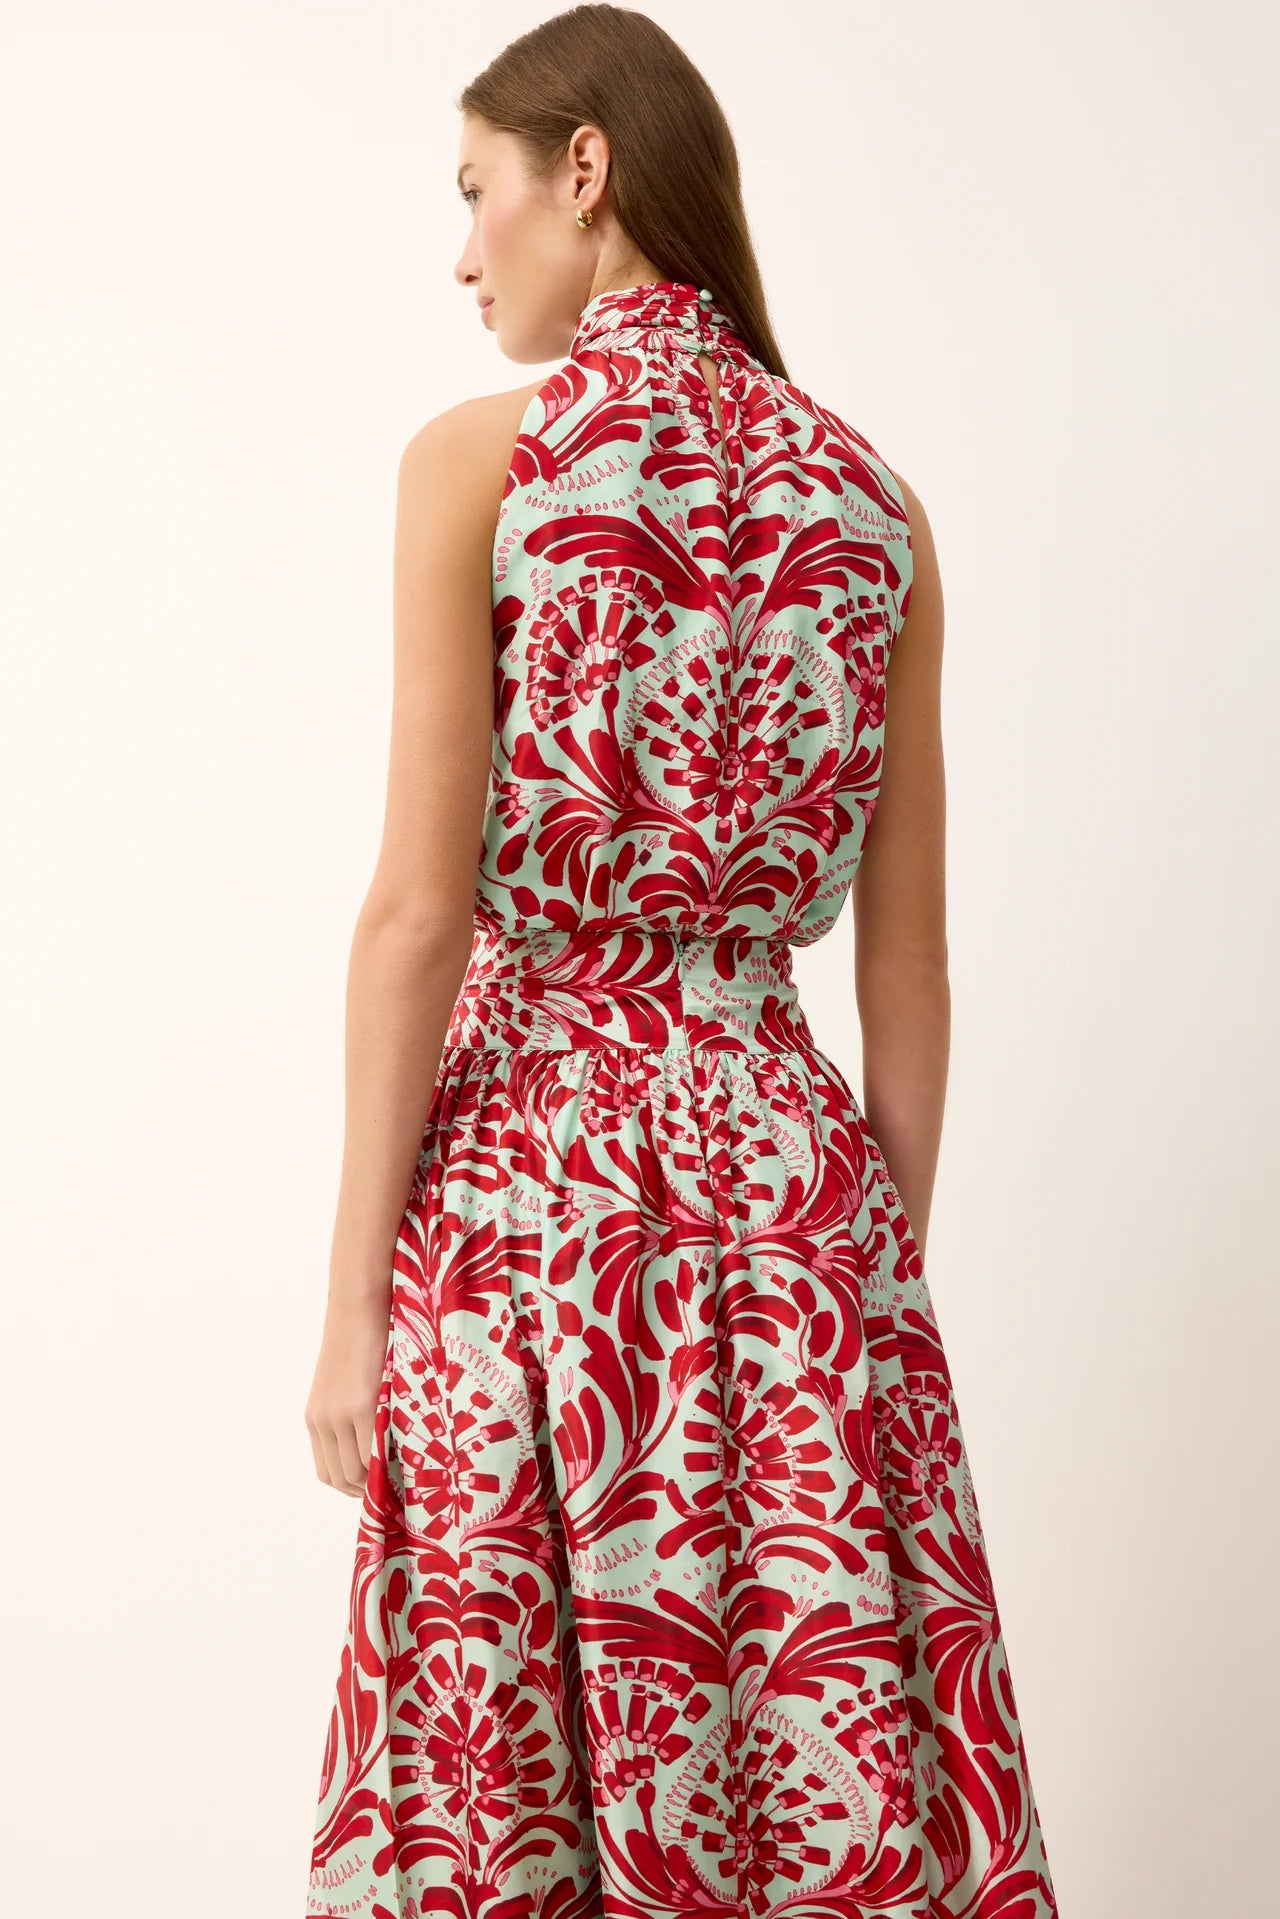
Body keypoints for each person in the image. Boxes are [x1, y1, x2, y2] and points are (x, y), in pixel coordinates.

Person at [303, 8, 1057, 1916]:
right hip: (801, 1201)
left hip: (535, 1188)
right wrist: (875, 1261)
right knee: (797, 1755)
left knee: (511, 1764)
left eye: (478, 192)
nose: (462, 253)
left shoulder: (483, 461)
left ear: (588, 170)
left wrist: (347, 1311)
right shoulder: (875, 503)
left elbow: (414, 917)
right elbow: (917, 968)